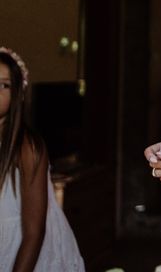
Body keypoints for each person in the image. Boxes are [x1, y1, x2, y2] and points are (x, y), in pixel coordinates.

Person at [0, 47, 85, 272]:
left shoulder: (26, 146)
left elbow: (34, 232)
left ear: (17, 92)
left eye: (4, 85)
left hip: (24, 254)